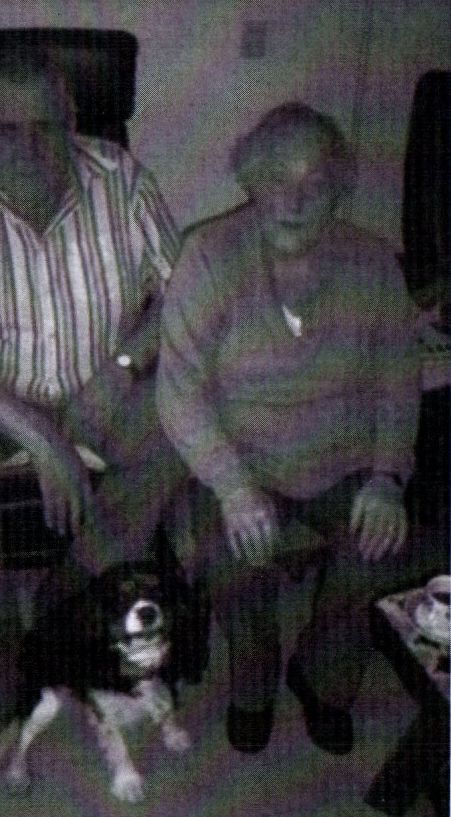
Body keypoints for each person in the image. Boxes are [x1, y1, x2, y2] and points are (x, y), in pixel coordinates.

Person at [0, 55, 179, 738]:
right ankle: (5, 640)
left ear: (72, 123)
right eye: (6, 130)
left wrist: (122, 366)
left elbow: (184, 298)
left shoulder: (122, 178)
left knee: (174, 425)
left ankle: (68, 590)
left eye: (45, 127)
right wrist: (43, 437)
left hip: (104, 386)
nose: (25, 147)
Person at [156, 102, 421, 755]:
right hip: (242, 461)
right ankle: (254, 681)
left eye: (314, 183)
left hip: (345, 462)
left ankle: (321, 676)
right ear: (250, 178)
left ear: (339, 188)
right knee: (231, 561)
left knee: (377, 555)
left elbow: (398, 377)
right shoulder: (209, 255)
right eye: (277, 178)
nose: (294, 200)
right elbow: (179, 390)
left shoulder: (373, 264)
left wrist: (387, 476)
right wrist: (232, 487)